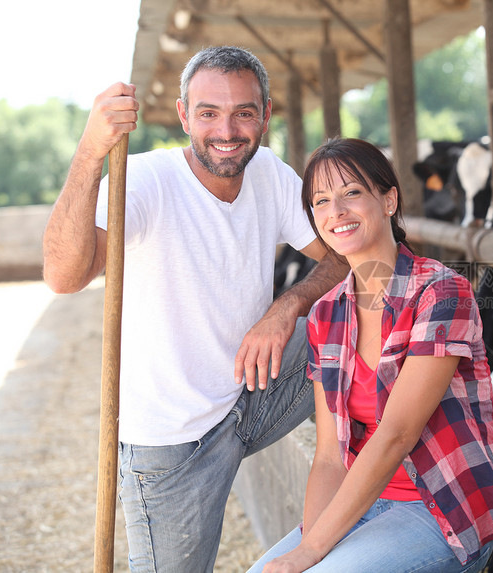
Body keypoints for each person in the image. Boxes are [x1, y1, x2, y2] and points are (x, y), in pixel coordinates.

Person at [41, 46, 348, 572]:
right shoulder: (144, 181)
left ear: (265, 115)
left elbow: (344, 256)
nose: (226, 130)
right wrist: (91, 153)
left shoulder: (269, 174)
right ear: (184, 115)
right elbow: (64, 278)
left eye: (243, 113)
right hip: (172, 444)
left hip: (254, 395)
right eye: (208, 113)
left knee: (362, 316)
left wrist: (286, 308)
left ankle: (395, 497)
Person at [248, 138, 493, 573]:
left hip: (439, 509)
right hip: (361, 502)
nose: (335, 211)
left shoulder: (442, 292)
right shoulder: (326, 313)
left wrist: (312, 552)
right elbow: (327, 457)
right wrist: (314, 544)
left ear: (389, 199)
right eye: (321, 200)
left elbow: (397, 432)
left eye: (351, 193)